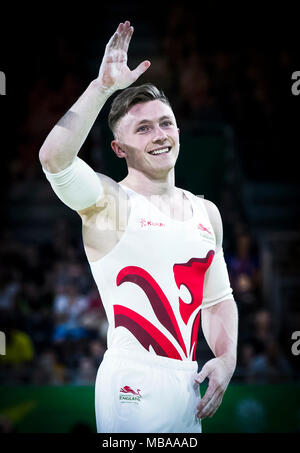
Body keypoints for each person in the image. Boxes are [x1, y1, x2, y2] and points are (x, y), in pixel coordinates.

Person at [39, 20, 238, 433]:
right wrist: (101, 87)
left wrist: (226, 358)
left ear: (179, 130)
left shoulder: (207, 213)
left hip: (187, 383)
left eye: (166, 123)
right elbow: (54, 158)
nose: (160, 135)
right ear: (119, 148)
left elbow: (218, 301)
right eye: (143, 129)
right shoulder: (109, 203)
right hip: (132, 382)